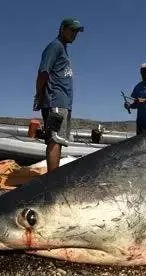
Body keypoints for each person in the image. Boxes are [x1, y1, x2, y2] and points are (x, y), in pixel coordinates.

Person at [33, 17, 84, 172]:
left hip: (62, 103)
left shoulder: (63, 48)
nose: (75, 34)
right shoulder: (54, 46)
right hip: (55, 100)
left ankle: (53, 177)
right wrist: (39, 94)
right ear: (62, 29)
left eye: (77, 31)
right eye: (72, 30)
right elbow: (43, 72)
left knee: (58, 140)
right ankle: (52, 181)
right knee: (54, 139)